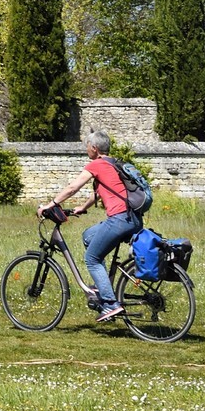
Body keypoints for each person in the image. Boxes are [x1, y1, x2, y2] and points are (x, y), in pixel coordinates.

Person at [38, 130, 141, 323]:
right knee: (88, 236)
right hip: (133, 218)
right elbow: (101, 192)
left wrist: (51, 204)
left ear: (94, 148)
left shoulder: (97, 164)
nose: (86, 150)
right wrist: (82, 207)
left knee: (92, 258)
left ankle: (111, 304)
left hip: (119, 219)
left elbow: (72, 187)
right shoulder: (114, 163)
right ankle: (103, 288)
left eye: (87, 146)